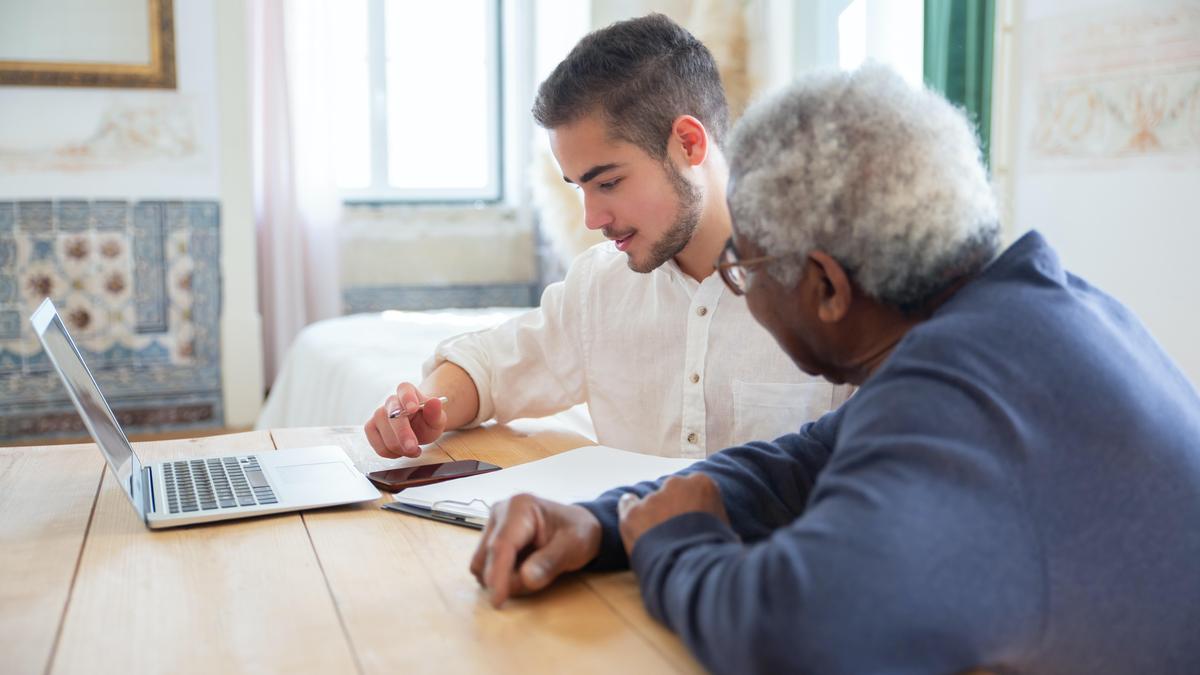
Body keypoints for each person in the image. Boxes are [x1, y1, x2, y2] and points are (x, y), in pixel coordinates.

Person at [468, 64, 1200, 674]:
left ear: (826, 286)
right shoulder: (1027, 318)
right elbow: (802, 462)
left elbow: (796, 631)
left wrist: (674, 543)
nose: (739, 285)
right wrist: (605, 522)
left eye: (743, 266)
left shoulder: (961, 397)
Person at [364, 14, 848, 461]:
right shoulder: (599, 287)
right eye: (578, 187)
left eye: (609, 182)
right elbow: (489, 366)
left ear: (689, 143)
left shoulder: (833, 290)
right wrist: (428, 408)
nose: (592, 218)